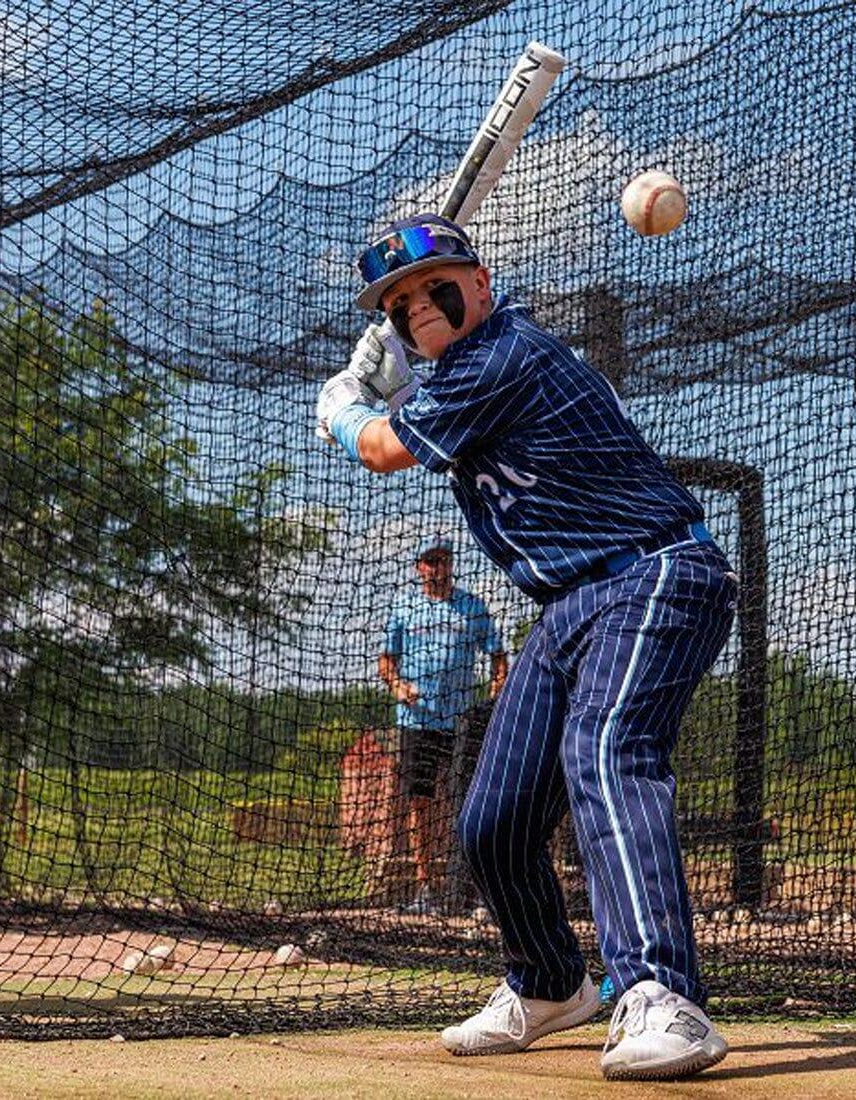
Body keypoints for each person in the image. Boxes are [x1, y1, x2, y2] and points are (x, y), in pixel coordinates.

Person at [315, 213, 738, 1081]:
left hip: (653, 573)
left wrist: (350, 407)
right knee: (493, 821)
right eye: (397, 306)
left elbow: (387, 450)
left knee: (609, 751)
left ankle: (663, 997)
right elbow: (417, 419)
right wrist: (400, 387)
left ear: (479, 283)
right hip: (568, 604)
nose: (419, 308)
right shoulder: (459, 371)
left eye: (435, 288)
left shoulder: (505, 350)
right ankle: (549, 982)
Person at [379, 535, 507, 913]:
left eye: (442, 560)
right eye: (430, 561)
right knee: (421, 800)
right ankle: (426, 890)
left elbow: (498, 658)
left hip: (461, 721)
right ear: (419, 566)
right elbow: (386, 662)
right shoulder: (404, 608)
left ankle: (471, 888)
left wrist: (493, 699)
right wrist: (398, 685)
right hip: (416, 720)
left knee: (467, 801)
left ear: (451, 564)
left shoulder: (471, 607)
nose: (437, 568)